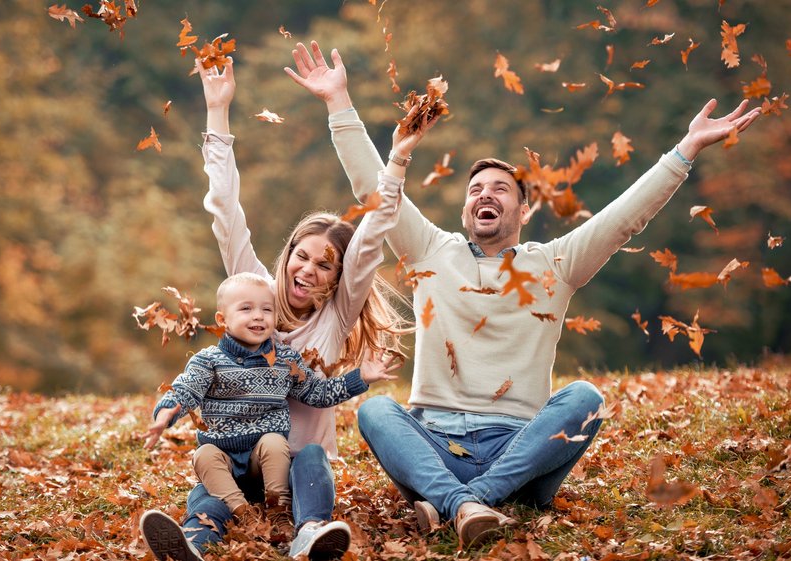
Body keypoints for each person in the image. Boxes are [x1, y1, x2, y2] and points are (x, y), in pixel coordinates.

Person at [286, 40, 762, 548]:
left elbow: (624, 218)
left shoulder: (556, 263)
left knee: (585, 398)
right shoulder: (429, 250)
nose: (484, 194)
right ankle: (471, 500)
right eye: (475, 190)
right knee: (375, 412)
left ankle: (459, 501)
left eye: (499, 189)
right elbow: (373, 191)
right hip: (435, 442)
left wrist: (683, 151)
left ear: (524, 211)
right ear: (466, 209)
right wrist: (339, 103)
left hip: (520, 444)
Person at [139, 54, 438, 561]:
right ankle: (192, 541)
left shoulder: (337, 315)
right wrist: (218, 113)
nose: (307, 270)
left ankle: (311, 533)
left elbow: (373, 233)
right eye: (301, 256)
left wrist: (399, 160)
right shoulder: (253, 289)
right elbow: (225, 208)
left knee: (314, 457)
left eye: (325, 265)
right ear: (286, 256)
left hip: (293, 465)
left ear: (339, 278)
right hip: (236, 458)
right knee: (209, 492)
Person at [140, 272, 398, 555]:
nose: (259, 316)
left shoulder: (285, 360)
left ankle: (280, 512)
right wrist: (165, 414)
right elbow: (185, 390)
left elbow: (318, 393)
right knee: (205, 478)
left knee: (274, 441)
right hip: (224, 473)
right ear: (223, 320)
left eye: (267, 309)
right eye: (246, 308)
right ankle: (194, 544)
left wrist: (361, 377)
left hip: (268, 467)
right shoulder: (208, 361)